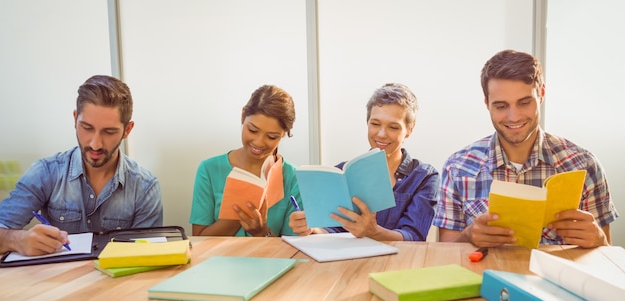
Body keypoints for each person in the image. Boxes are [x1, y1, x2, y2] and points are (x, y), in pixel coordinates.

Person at [433, 49, 619, 248]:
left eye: (524, 103)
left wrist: (599, 241)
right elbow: (446, 252)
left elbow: (606, 256)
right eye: (501, 106)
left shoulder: (583, 164)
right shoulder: (458, 167)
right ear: (487, 104)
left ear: (541, 94)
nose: (514, 117)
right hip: (484, 277)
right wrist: (468, 236)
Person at [0, 75, 163, 256]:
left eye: (109, 132)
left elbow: (147, 260)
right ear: (75, 119)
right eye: (87, 127)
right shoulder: (46, 172)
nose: (95, 144)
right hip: (58, 282)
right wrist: (17, 240)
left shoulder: (145, 186)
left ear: (127, 130)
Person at [289, 82, 439, 241]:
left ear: (409, 130)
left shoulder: (424, 177)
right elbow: (333, 229)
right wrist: (311, 229)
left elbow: (414, 236)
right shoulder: (342, 174)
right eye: (375, 124)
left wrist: (373, 232)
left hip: (400, 263)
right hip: (351, 262)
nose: (381, 134)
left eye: (393, 127)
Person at [190, 84, 300, 237]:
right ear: (243, 116)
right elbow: (199, 239)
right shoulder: (209, 169)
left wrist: (261, 232)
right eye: (252, 130)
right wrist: (240, 212)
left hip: (271, 261)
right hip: (218, 260)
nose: (259, 142)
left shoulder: (293, 177)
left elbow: (293, 250)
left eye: (271, 137)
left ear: (283, 134)